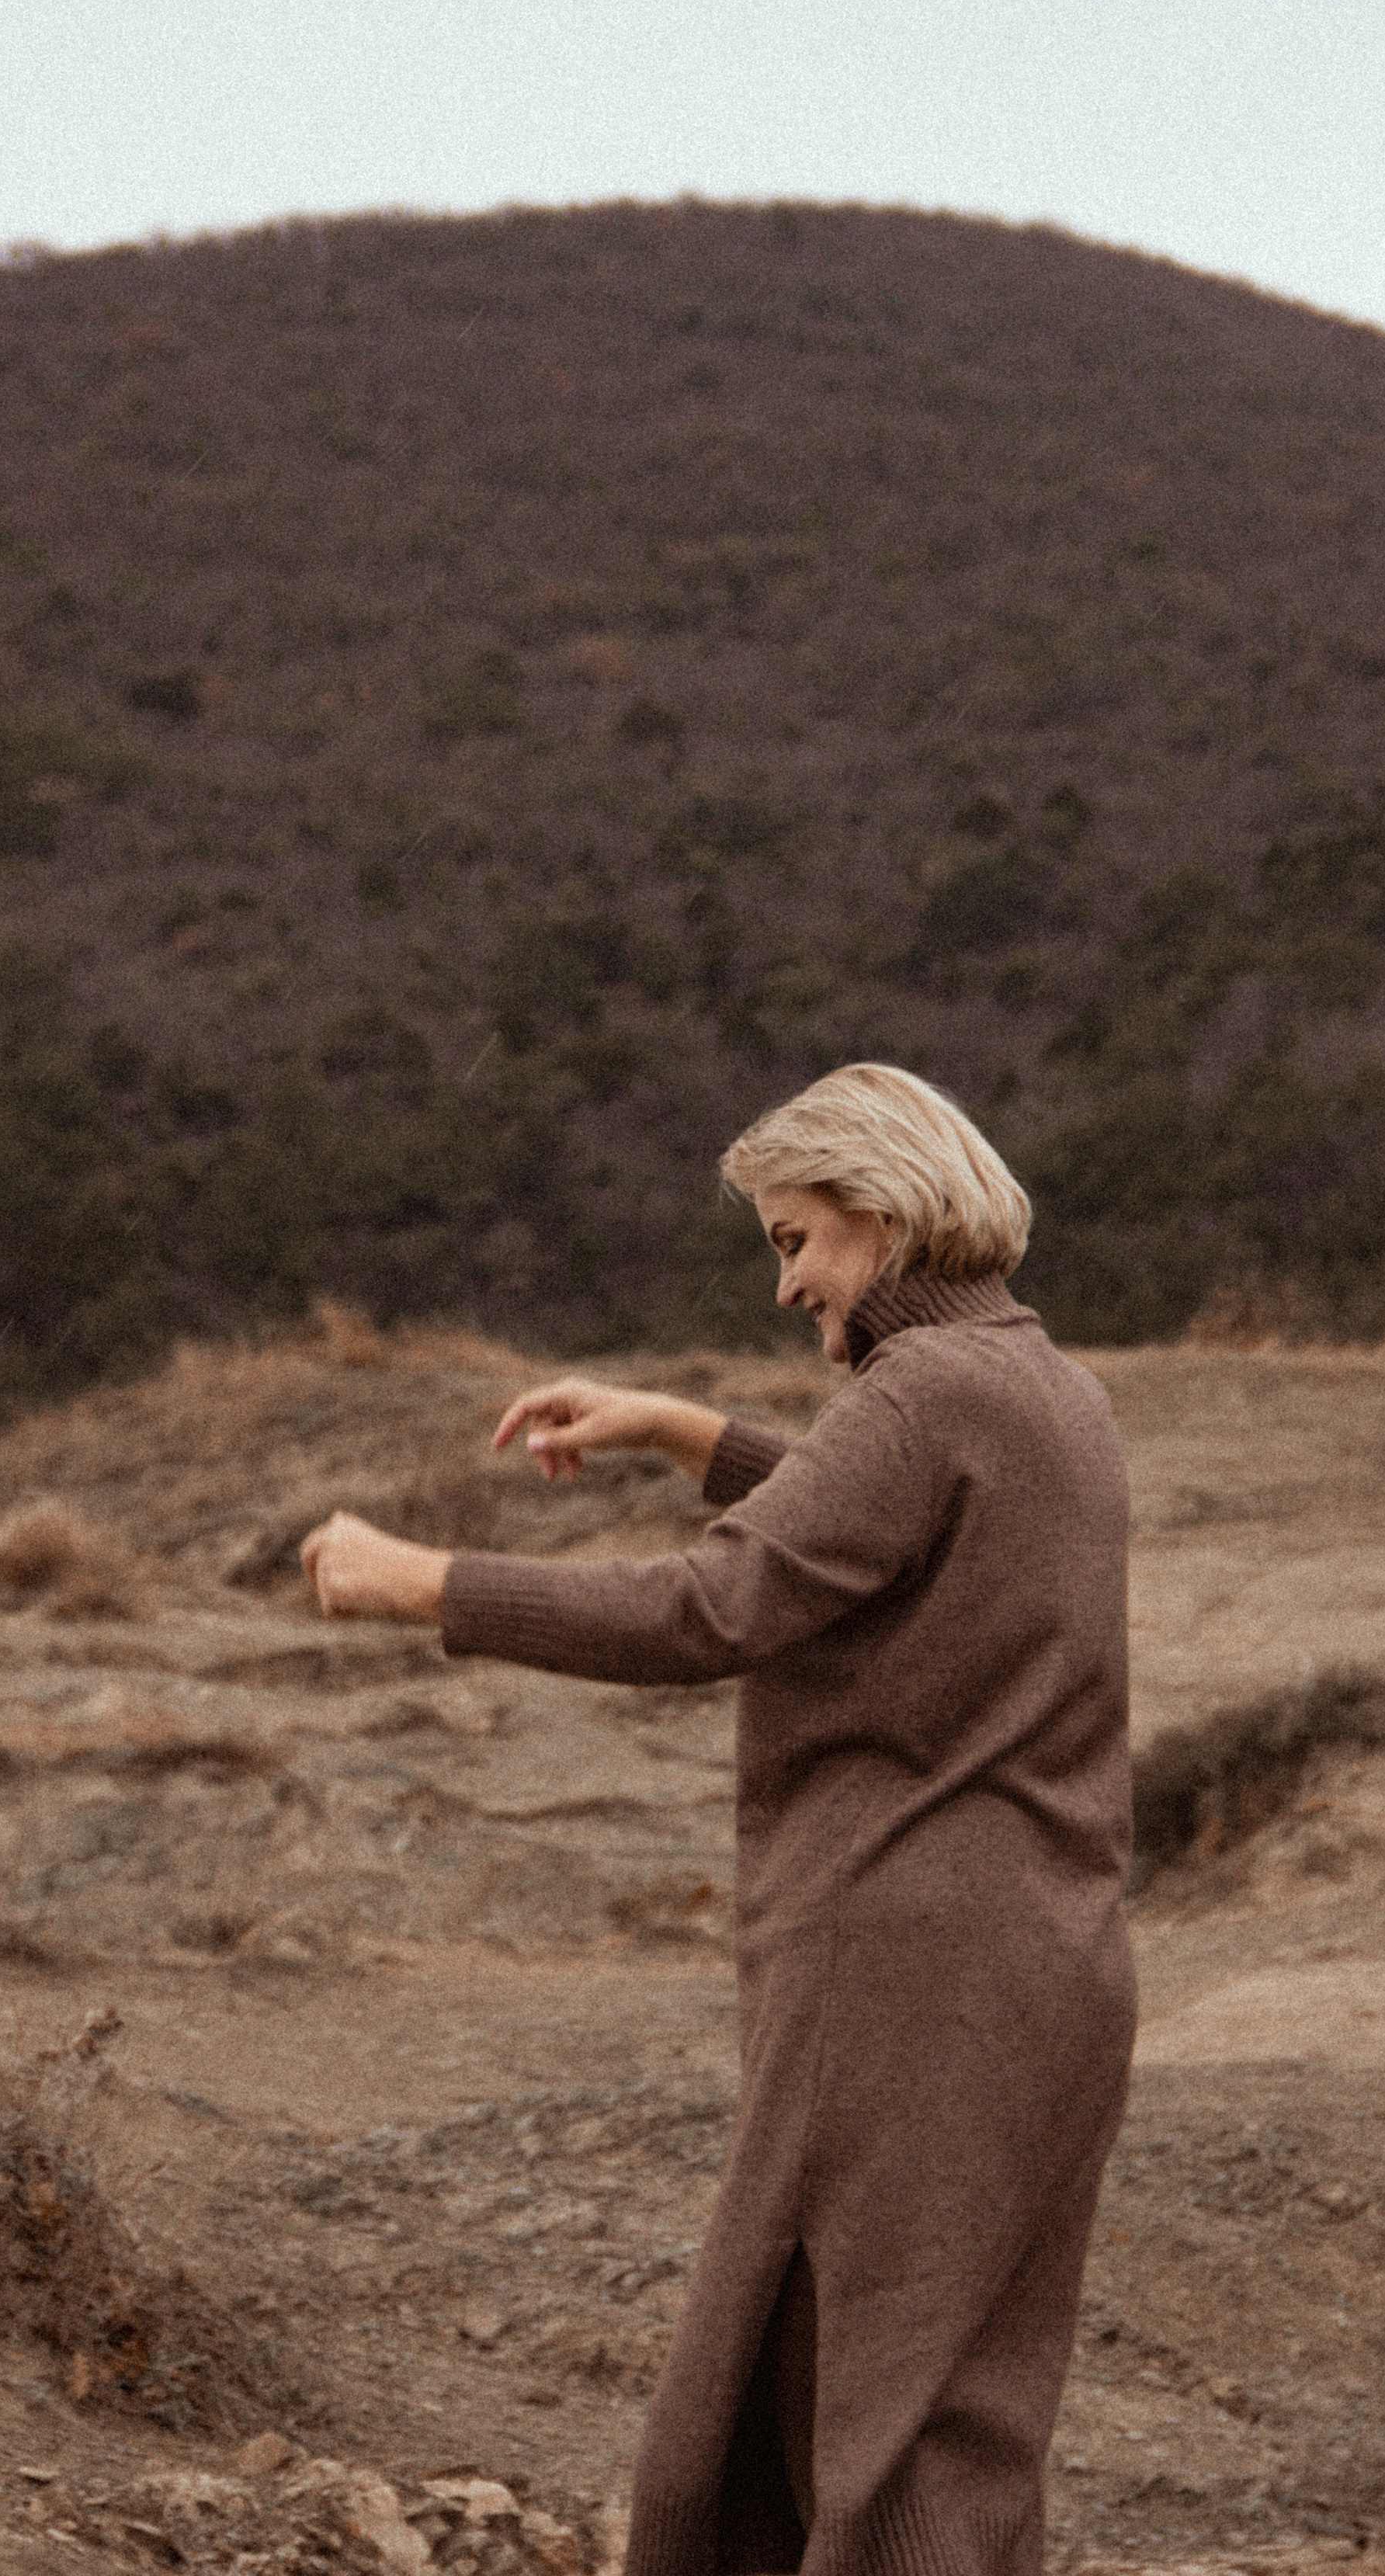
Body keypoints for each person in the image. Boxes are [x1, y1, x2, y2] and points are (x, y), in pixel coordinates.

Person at [300, 1064, 1135, 2576]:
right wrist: (687, 1434)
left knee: (863, 2425)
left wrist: (424, 1582)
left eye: (793, 1238)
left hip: (914, 1973)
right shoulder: (1037, 1383)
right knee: (922, 2411)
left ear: (881, 1218)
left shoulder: (927, 1394)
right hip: (1036, 1974)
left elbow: (718, 1606)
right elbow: (878, 1522)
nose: (784, 1282)